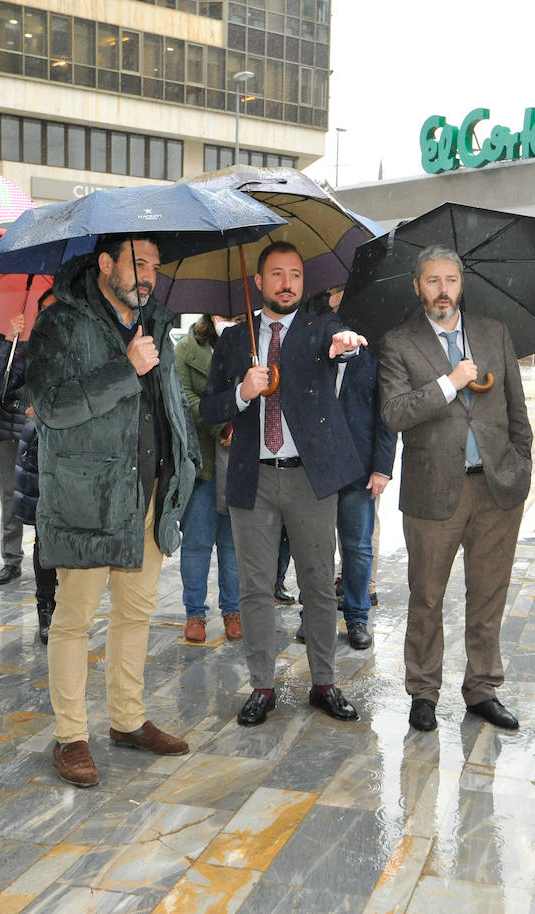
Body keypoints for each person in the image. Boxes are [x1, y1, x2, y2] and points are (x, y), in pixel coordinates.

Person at [25, 235, 198, 788]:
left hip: (147, 496)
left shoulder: (158, 327)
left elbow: (168, 402)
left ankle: (126, 720)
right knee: (74, 620)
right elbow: (52, 408)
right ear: (106, 264)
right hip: (88, 499)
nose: (147, 275)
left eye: (154, 265)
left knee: (136, 613)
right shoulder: (61, 323)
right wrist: (125, 368)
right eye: (137, 263)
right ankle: (71, 735)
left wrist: (184, 463)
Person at [201, 241, 367, 727]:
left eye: (295, 274)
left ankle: (324, 683)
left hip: (312, 480)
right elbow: (210, 410)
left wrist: (343, 345)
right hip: (253, 480)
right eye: (276, 274)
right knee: (254, 589)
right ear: (259, 282)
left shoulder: (321, 329)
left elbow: (341, 343)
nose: (287, 283)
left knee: (317, 584)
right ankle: (262, 687)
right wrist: (241, 392)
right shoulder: (235, 340)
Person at [379, 244, 533, 733]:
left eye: (450, 280)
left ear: (461, 283)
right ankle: (423, 692)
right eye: (432, 281)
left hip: (495, 488)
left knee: (488, 593)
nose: (442, 290)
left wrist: (520, 464)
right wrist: (449, 382)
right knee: (426, 596)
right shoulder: (398, 343)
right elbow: (394, 413)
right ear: (417, 287)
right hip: (432, 492)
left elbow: (516, 411)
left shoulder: (493, 333)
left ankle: (482, 689)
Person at [319, 284, 394, 651]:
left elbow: (387, 415)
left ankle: (357, 618)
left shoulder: (377, 355)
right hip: (316, 467)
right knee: (315, 547)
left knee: (358, 548)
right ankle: (312, 617)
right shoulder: (316, 352)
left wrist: (382, 468)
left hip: (360, 468)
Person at [175, 314, 242, 643]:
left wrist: (239, 425)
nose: (226, 320)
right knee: (198, 541)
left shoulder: (251, 344)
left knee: (232, 544)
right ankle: (195, 613)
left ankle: (233, 610)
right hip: (201, 459)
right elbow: (185, 401)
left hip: (239, 461)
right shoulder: (186, 350)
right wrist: (222, 425)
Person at [13, 289, 58, 646]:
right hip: (40, 448)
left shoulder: (83, 346)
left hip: (76, 454)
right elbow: (0, 386)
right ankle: (46, 609)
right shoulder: (29, 346)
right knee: (44, 535)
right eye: (44, 309)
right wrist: (14, 341)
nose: (49, 316)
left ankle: (68, 607)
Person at [0, 314, 29, 586]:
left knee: (47, 497)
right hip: (8, 427)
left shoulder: (55, 334)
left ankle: (48, 560)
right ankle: (11, 559)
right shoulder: (5, 333)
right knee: (10, 496)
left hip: (44, 426)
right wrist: (7, 341)